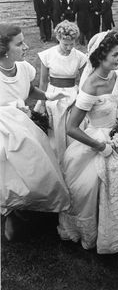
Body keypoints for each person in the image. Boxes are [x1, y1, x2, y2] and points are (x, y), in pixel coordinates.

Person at [57, 31, 118, 253]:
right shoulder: (91, 85)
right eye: (116, 54)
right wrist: (100, 146)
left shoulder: (113, 76)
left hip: (117, 137)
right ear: (101, 56)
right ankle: (95, 231)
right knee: (91, 189)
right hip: (96, 142)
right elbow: (71, 128)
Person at [0, 23, 70, 240]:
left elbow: (29, 89)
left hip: (24, 127)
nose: (26, 47)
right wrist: (10, 108)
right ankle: (8, 216)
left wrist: (48, 97)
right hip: (3, 129)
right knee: (8, 175)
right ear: (3, 49)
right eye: (19, 44)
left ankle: (25, 211)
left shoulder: (23, 68)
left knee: (36, 171)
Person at [35, 20, 87, 165]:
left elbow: (84, 83)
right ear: (58, 38)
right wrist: (43, 103)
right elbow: (43, 82)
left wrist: (80, 100)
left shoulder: (80, 57)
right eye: (66, 44)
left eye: (72, 44)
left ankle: (72, 163)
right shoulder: (47, 55)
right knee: (55, 132)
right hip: (53, 95)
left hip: (72, 95)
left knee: (72, 132)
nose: (69, 47)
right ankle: (57, 161)